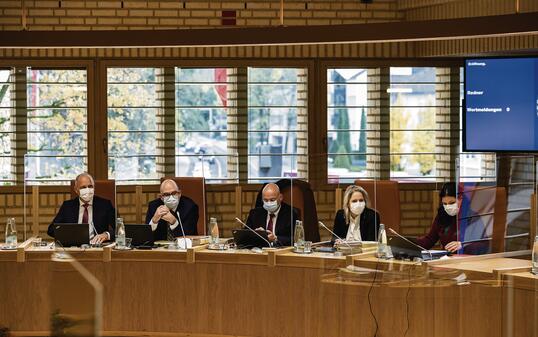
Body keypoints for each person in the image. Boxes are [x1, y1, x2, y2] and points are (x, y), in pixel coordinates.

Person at [48, 172, 115, 244]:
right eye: (83, 187)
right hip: (74, 247)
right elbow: (51, 230)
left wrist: (106, 235)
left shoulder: (105, 205)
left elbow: (120, 229)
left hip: (97, 247)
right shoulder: (67, 206)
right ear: (76, 190)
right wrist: (71, 236)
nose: (87, 190)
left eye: (90, 186)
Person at [416, 182, 462, 253]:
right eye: (444, 204)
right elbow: (430, 239)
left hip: (468, 259)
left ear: (461, 198)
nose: (448, 207)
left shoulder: (471, 215)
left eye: (452, 203)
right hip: (447, 258)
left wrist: (463, 244)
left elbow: (482, 242)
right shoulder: (442, 214)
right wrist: (408, 243)